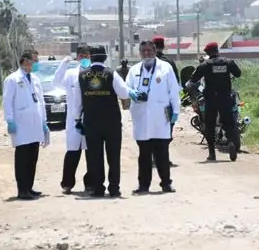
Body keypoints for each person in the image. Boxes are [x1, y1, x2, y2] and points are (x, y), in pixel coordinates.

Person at [68, 44, 135, 198]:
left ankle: (98, 188)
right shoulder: (111, 74)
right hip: (111, 121)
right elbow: (124, 93)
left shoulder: (82, 75)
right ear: (105, 57)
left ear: (90, 57)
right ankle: (114, 188)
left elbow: (77, 102)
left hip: (91, 121)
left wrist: (77, 119)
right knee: (113, 156)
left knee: (94, 157)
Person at [126, 40, 181, 194]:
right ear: (139, 52)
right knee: (144, 155)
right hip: (141, 117)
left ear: (155, 51)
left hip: (160, 118)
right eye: (143, 51)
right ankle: (143, 185)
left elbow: (174, 91)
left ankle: (166, 184)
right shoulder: (134, 70)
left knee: (162, 153)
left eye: (149, 50)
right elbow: (126, 88)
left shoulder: (166, 68)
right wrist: (132, 93)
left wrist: (176, 111)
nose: (147, 53)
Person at [2, 50, 51, 200]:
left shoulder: (35, 79)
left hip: (35, 124)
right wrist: (9, 120)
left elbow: (41, 102)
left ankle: (29, 187)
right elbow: (7, 101)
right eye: (34, 61)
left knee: (32, 158)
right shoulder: (12, 79)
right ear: (25, 61)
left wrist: (44, 122)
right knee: (23, 159)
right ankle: (22, 189)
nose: (36, 64)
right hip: (21, 124)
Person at [185, 42, 241, 161]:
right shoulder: (228, 62)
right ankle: (231, 142)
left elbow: (193, 80)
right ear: (217, 50)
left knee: (209, 126)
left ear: (207, 53)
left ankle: (212, 153)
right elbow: (238, 73)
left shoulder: (205, 65)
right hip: (226, 98)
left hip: (211, 100)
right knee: (229, 123)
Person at [53, 44, 92, 194]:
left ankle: (90, 183)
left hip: (89, 118)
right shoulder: (70, 74)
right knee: (73, 152)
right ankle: (67, 183)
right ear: (77, 57)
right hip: (73, 120)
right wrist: (63, 64)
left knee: (91, 153)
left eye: (87, 56)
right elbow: (56, 83)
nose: (84, 58)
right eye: (81, 56)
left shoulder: (94, 73)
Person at [152, 35, 181, 168]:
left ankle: (154, 157)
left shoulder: (147, 62)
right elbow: (175, 85)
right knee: (166, 132)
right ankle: (163, 158)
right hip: (166, 103)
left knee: (152, 131)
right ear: (163, 46)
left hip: (150, 104)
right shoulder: (169, 63)